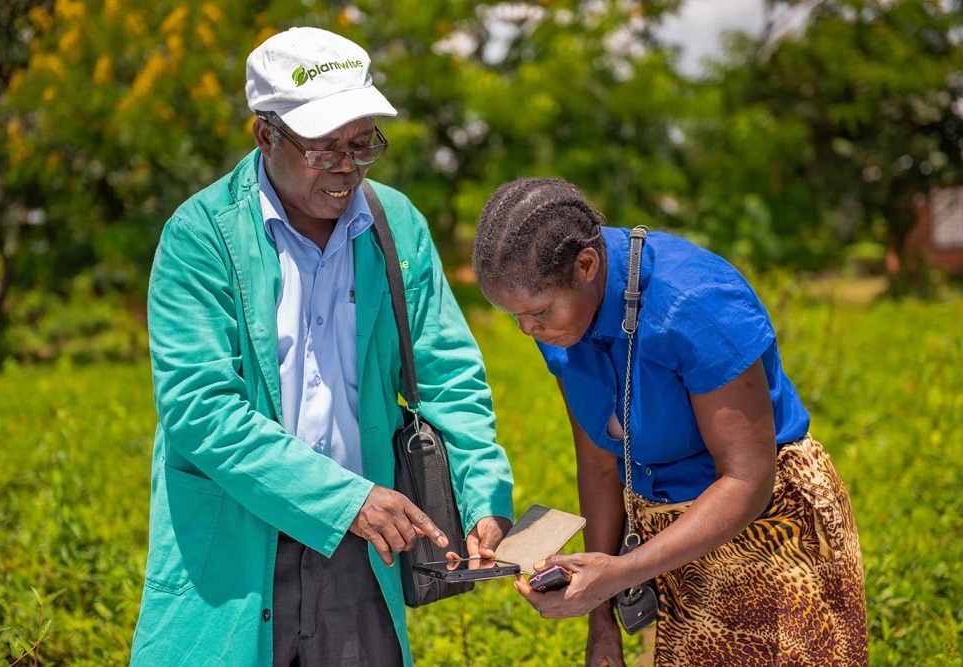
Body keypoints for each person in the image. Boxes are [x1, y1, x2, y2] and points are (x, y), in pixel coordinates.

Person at [130, 27, 514, 666]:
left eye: (361, 144)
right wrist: (345, 499)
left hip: (366, 553)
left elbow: (449, 373)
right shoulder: (200, 238)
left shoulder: (396, 226)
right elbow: (201, 410)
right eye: (323, 147)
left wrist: (484, 495)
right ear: (265, 135)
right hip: (237, 540)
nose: (346, 166)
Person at [472, 177, 868, 667]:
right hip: (660, 549)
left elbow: (748, 478)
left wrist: (619, 573)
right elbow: (600, 464)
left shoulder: (696, 303)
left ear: (587, 265)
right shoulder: (560, 321)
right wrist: (602, 620)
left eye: (538, 312)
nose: (529, 330)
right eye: (516, 317)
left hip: (771, 535)